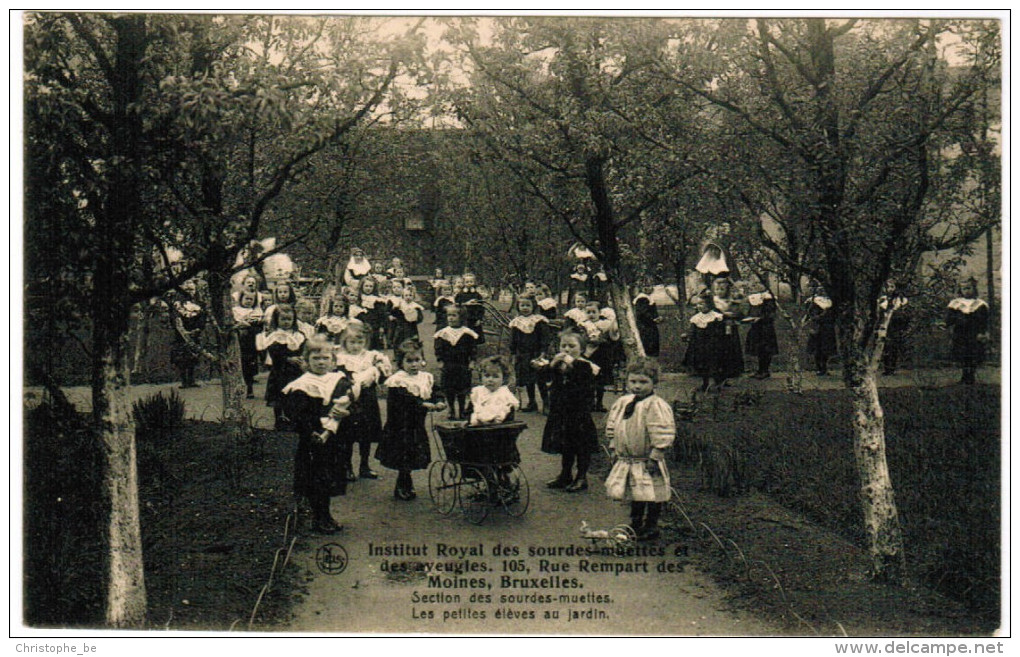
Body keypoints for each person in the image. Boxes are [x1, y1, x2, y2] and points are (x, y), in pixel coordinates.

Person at [282, 336, 354, 534]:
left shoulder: (338, 380)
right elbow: (297, 414)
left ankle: (326, 513)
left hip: (335, 437)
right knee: (316, 478)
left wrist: (346, 413)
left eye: (325, 358)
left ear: (333, 360)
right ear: (307, 361)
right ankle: (319, 516)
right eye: (316, 358)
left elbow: (354, 405)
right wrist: (310, 431)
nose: (321, 362)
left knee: (330, 475)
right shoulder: (302, 385)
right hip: (313, 438)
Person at [604, 358, 676, 541]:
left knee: (652, 493)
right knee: (636, 492)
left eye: (643, 382)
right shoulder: (623, 402)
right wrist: (614, 446)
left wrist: (656, 455)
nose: (637, 386)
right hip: (628, 458)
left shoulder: (656, 405)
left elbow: (662, 431)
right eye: (633, 381)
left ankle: (651, 524)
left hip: (646, 459)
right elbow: (614, 424)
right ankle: (635, 522)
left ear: (654, 383)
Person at [376, 339, 447, 500]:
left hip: (416, 424)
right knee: (403, 455)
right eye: (409, 361)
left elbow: (435, 390)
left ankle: (406, 483)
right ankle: (402, 484)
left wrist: (439, 400)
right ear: (401, 362)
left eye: (417, 360)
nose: (414, 364)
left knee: (413, 453)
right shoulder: (398, 381)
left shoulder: (425, 377)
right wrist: (424, 405)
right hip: (401, 425)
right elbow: (405, 400)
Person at [536, 329, 600, 493]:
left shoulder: (585, 365)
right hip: (561, 411)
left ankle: (581, 476)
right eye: (563, 346)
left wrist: (571, 363)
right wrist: (551, 365)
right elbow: (544, 377)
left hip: (578, 413)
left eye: (572, 346)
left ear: (582, 348)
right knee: (566, 444)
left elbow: (581, 379)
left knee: (581, 445)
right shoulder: (558, 364)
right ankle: (565, 474)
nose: (566, 350)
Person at [335, 320, 392, 481]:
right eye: (352, 342)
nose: (356, 345)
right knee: (348, 434)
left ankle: (364, 465)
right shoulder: (340, 358)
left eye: (360, 342)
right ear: (345, 341)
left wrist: (374, 375)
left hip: (368, 399)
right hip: (350, 399)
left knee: (365, 434)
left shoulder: (370, 356)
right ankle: (347, 466)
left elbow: (384, 372)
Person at [257, 304, 306, 430]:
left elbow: (303, 348)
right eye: (283, 319)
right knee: (279, 396)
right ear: (277, 320)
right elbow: (274, 352)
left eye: (289, 319)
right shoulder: (275, 335)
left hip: (295, 371)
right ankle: (279, 419)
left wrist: (302, 357)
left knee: (294, 395)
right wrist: (288, 359)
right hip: (281, 371)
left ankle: (293, 419)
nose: (286, 322)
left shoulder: (298, 335)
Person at [433, 305, 479, 420]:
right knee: (449, 389)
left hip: (462, 364)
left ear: (461, 317)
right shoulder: (443, 333)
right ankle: (451, 409)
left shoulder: (467, 333)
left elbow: (472, 349)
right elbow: (438, 349)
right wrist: (440, 360)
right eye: (449, 315)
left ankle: (462, 409)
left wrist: (472, 361)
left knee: (462, 389)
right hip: (448, 364)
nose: (451, 318)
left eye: (454, 315)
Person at [509, 296, 550, 412]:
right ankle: (532, 402)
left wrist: (543, 352)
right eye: (522, 305)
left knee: (540, 379)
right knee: (528, 380)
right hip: (523, 354)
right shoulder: (516, 323)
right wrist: (513, 354)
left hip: (537, 353)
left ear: (533, 306)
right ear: (518, 307)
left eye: (528, 305)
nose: (525, 308)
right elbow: (513, 340)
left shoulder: (538, 321)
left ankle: (546, 403)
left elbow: (544, 338)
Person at [946, 278, 990, 385]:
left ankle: (971, 376)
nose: (966, 291)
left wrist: (982, 332)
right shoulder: (955, 304)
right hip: (960, 333)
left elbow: (984, 320)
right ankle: (964, 375)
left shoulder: (980, 304)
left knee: (973, 353)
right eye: (964, 288)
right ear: (960, 290)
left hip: (974, 333)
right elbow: (949, 319)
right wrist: (953, 322)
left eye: (969, 288)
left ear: (974, 289)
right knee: (962, 354)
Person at [579, 301, 620, 412]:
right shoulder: (584, 325)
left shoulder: (605, 324)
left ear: (599, 313)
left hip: (601, 354)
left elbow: (611, 337)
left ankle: (599, 403)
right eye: (588, 312)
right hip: (589, 354)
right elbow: (581, 338)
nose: (591, 315)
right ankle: (590, 402)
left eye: (594, 312)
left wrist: (601, 340)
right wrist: (588, 340)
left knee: (600, 380)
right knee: (590, 379)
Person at [683, 290, 725, 392]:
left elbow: (720, 332)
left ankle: (717, 382)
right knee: (702, 364)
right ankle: (705, 383)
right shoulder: (696, 318)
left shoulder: (716, 317)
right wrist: (687, 336)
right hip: (700, 345)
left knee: (714, 363)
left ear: (709, 305)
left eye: (702, 304)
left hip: (713, 344)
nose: (699, 306)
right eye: (698, 304)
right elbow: (692, 331)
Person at [170, 279, 206, 389]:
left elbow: (203, 317)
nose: (189, 292)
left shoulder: (199, 303)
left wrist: (198, 328)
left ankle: (191, 379)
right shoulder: (177, 304)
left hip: (195, 331)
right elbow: (174, 317)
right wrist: (181, 330)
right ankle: (183, 380)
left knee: (193, 355)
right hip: (181, 333)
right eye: (187, 290)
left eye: (192, 289)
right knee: (181, 356)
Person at [711, 276, 745, 382]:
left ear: (727, 290)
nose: (719, 292)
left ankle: (732, 369)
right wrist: (723, 314)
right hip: (717, 328)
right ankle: (717, 369)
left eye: (722, 289)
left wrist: (734, 314)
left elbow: (740, 312)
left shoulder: (732, 300)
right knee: (718, 348)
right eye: (717, 289)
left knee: (731, 347)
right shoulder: (713, 301)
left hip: (730, 326)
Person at [469, 356, 520, 426]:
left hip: (499, 428)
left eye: (495, 376)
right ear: (481, 377)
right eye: (487, 376)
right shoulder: (478, 392)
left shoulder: (505, 394)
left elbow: (509, 414)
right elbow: (470, 410)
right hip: (478, 428)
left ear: (504, 378)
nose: (490, 380)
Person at [233, 290, 264, 398]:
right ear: (240, 299)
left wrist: (251, 324)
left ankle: (249, 387)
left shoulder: (256, 312)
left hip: (250, 342)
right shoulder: (236, 311)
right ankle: (237, 387)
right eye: (246, 298)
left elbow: (259, 326)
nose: (249, 301)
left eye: (251, 299)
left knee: (250, 363)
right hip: (239, 340)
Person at [744, 285, 779, 379]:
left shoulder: (768, 298)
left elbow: (771, 314)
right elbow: (751, 311)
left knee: (766, 349)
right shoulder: (754, 298)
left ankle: (765, 370)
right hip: (756, 327)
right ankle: (760, 370)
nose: (755, 285)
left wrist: (760, 318)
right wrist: (749, 317)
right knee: (758, 348)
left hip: (766, 327)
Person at [806, 285, 837, 375]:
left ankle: (824, 367)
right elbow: (812, 315)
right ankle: (819, 368)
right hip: (818, 328)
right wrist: (822, 315)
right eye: (820, 290)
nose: (822, 292)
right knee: (818, 349)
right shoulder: (814, 302)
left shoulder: (829, 302)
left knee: (826, 349)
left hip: (828, 328)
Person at [880, 288, 910, 376]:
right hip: (888, 327)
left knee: (894, 348)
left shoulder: (902, 301)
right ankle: (888, 368)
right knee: (887, 348)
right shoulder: (884, 299)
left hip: (896, 327)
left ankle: (892, 368)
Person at [633, 283, 662, 358]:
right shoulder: (642, 298)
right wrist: (653, 319)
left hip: (648, 324)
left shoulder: (646, 298)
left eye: (651, 286)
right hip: (646, 325)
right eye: (647, 286)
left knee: (651, 341)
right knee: (648, 342)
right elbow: (643, 313)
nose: (650, 288)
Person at [390, 284, 424, 348]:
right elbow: (394, 314)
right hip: (401, 328)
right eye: (406, 295)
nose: (408, 297)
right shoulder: (400, 305)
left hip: (412, 328)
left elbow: (420, 318)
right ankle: (398, 357)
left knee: (413, 342)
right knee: (398, 342)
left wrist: (415, 317)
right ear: (403, 296)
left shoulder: (415, 306)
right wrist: (395, 309)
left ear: (413, 296)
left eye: (410, 295)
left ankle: (413, 356)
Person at [455, 272, 485, 345]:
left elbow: (481, 308)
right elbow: (456, 305)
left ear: (474, 282)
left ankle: (473, 351)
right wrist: (466, 303)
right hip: (464, 318)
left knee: (474, 336)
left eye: (471, 282)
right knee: (463, 336)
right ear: (464, 283)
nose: (469, 283)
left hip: (474, 318)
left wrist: (479, 318)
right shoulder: (460, 294)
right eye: (467, 282)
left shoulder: (477, 295)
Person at [358, 276, 384, 349]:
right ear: (362, 286)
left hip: (374, 325)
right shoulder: (359, 298)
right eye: (366, 286)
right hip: (361, 324)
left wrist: (381, 326)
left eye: (370, 286)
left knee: (373, 345)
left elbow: (381, 314)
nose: (368, 288)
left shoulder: (377, 300)